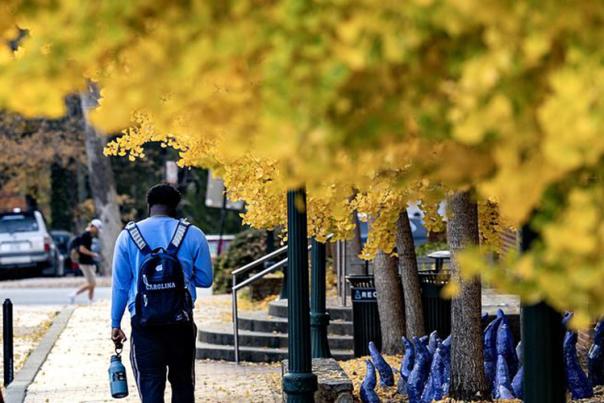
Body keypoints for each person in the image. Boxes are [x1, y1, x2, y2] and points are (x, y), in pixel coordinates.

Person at [110, 184, 212, 403]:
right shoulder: (193, 235)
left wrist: (115, 323)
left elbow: (120, 284)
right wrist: (183, 276)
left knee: (150, 384)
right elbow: (206, 279)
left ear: (149, 206)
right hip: (180, 321)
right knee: (183, 382)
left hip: (144, 323)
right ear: (175, 207)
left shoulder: (127, 236)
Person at [68, 219, 102, 304]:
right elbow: (81, 249)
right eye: (97, 229)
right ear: (93, 226)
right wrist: (93, 254)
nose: (97, 231)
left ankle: (90, 300)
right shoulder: (85, 235)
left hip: (88, 262)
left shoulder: (89, 235)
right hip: (84, 262)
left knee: (91, 282)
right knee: (92, 283)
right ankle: (74, 294)